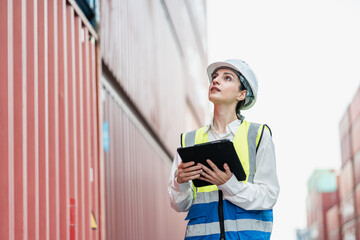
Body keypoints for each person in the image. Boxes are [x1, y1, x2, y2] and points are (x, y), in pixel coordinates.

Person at [168, 59, 280, 240]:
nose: (216, 81)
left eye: (227, 78)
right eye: (214, 77)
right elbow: (179, 205)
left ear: (242, 94)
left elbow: (269, 195)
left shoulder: (258, 136)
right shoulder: (189, 140)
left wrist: (229, 185)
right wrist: (180, 182)